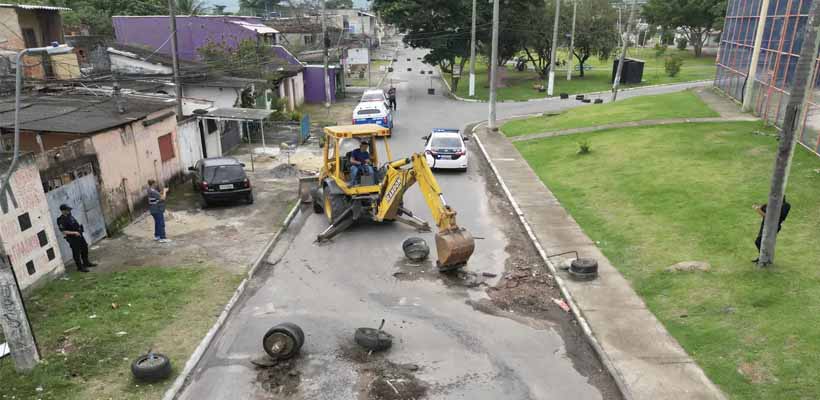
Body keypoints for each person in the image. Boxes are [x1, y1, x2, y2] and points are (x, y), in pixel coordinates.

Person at [56, 204, 96, 272]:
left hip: (79, 235)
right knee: (76, 252)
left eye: (69, 209)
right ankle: (80, 267)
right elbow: (64, 231)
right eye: (67, 210)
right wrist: (74, 233)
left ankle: (86, 263)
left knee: (84, 248)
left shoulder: (70, 216)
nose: (69, 211)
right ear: (63, 211)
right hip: (72, 238)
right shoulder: (60, 220)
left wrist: (79, 229)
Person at [752, 196, 791, 263]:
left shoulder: (785, 206)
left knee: (760, 241)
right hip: (765, 224)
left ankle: (764, 258)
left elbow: (770, 218)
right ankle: (763, 257)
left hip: (772, 226)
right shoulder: (772, 204)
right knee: (759, 241)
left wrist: (759, 210)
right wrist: (759, 207)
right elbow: (764, 208)